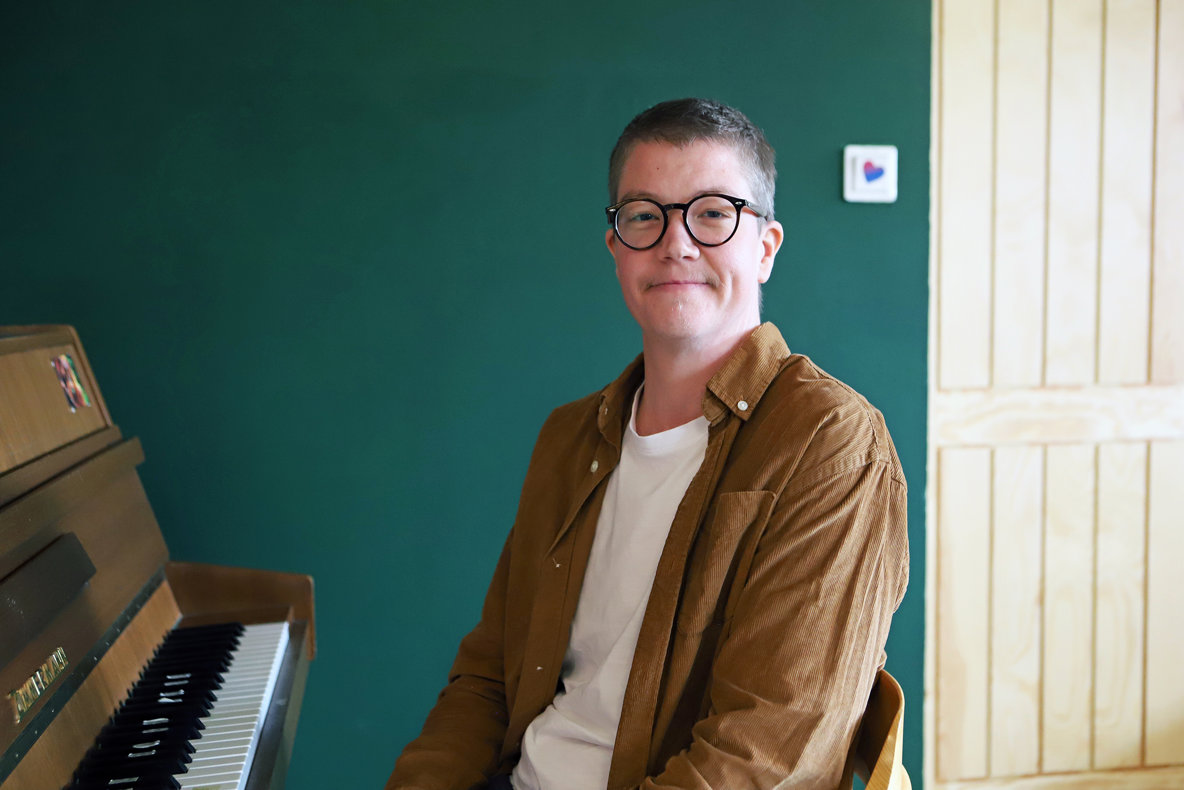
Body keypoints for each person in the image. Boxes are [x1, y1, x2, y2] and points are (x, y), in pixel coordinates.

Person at [386, 98, 908, 790]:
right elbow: (487, 679)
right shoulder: (570, 436)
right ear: (616, 249)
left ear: (765, 247)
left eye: (714, 213)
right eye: (643, 216)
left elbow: (764, 759)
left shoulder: (830, 443)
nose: (676, 243)